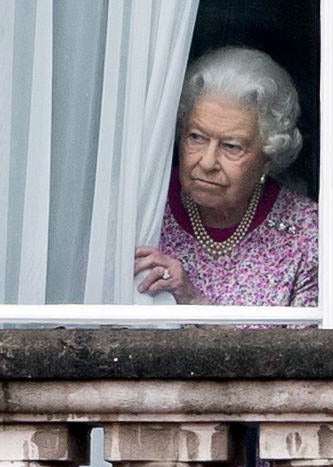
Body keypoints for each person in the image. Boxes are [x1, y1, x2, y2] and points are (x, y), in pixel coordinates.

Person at [134, 46, 317, 308]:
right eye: (196, 137)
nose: (207, 163)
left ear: (269, 154)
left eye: (231, 146)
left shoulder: (305, 233)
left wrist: (193, 301)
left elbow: (309, 349)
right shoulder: (144, 208)